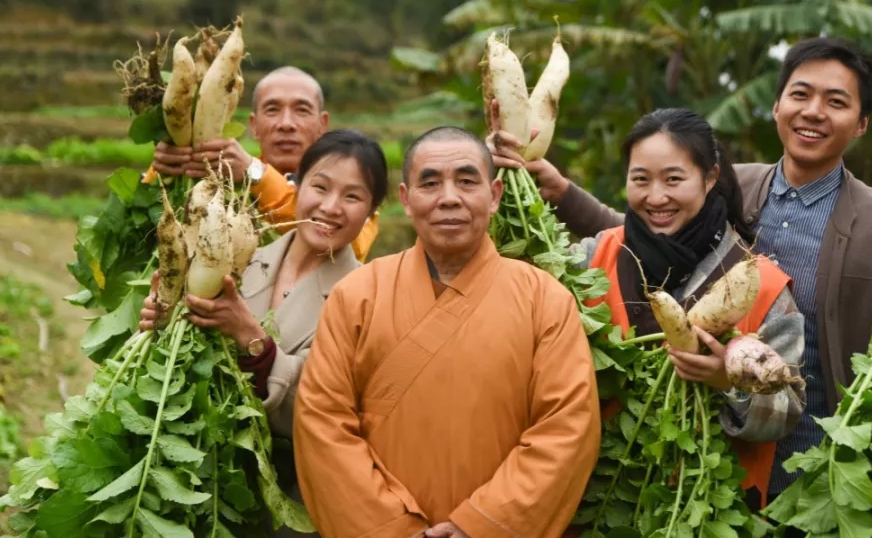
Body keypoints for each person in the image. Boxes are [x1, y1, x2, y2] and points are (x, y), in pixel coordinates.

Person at [489, 37, 872, 512]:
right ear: (776, 106)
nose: (813, 111)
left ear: (861, 124)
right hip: (716, 460)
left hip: (820, 462)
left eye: (836, 102)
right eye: (800, 94)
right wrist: (562, 192)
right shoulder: (731, 182)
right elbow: (646, 238)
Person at [292, 126, 602, 538]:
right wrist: (391, 529)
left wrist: (479, 526)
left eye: (467, 181)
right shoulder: (357, 295)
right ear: (406, 199)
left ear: (493, 195)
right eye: (430, 182)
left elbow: (567, 429)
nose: (449, 197)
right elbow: (321, 424)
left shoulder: (544, 299)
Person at [139, 128, 389, 537]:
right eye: (319, 187)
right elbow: (189, 350)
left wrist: (252, 338)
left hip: (291, 499)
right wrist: (161, 320)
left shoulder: (369, 299)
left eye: (352, 196)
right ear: (298, 187)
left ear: (371, 212)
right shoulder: (240, 255)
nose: (330, 207)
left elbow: (330, 408)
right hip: (197, 478)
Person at [571, 108, 805, 511]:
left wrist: (727, 380)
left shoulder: (760, 283)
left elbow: (787, 412)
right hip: (595, 505)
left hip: (703, 507)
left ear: (710, 178)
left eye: (673, 179)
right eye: (640, 179)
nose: (656, 197)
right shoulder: (591, 259)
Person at [147, 66, 379, 261]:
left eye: (301, 110)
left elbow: (352, 247)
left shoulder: (350, 189)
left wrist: (254, 174)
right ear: (254, 125)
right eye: (272, 110)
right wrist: (164, 170)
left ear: (322, 124)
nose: (286, 123)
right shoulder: (221, 176)